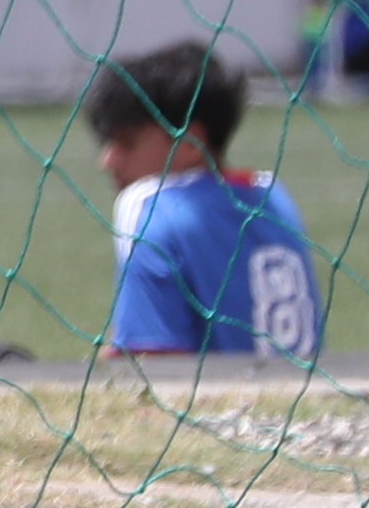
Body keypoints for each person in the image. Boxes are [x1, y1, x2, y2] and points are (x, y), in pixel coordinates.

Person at [88, 38, 323, 359]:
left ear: (189, 144)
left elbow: (154, 363)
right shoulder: (272, 194)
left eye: (126, 144)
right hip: (306, 398)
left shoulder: (149, 207)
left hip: (214, 403)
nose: (107, 160)